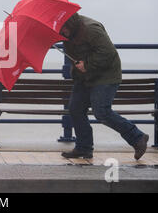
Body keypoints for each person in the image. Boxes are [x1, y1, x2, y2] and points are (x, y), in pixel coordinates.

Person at [59, 13, 149, 160]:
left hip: (106, 75)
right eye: (60, 29)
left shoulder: (91, 29)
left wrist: (86, 65)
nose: (62, 32)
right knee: (75, 109)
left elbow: (108, 53)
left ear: (70, 23)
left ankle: (138, 137)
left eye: (63, 28)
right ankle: (84, 148)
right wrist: (79, 67)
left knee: (101, 112)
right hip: (85, 77)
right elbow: (76, 56)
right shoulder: (66, 35)